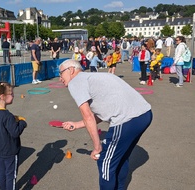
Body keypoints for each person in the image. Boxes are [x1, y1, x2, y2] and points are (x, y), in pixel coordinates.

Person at [59, 59, 152, 190]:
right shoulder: (96, 77)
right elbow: (103, 112)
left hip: (127, 120)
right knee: (119, 158)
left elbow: (88, 116)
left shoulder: (76, 82)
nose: (60, 78)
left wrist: (97, 147)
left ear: (71, 70)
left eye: (61, 73)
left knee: (104, 162)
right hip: (145, 114)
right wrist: (77, 124)